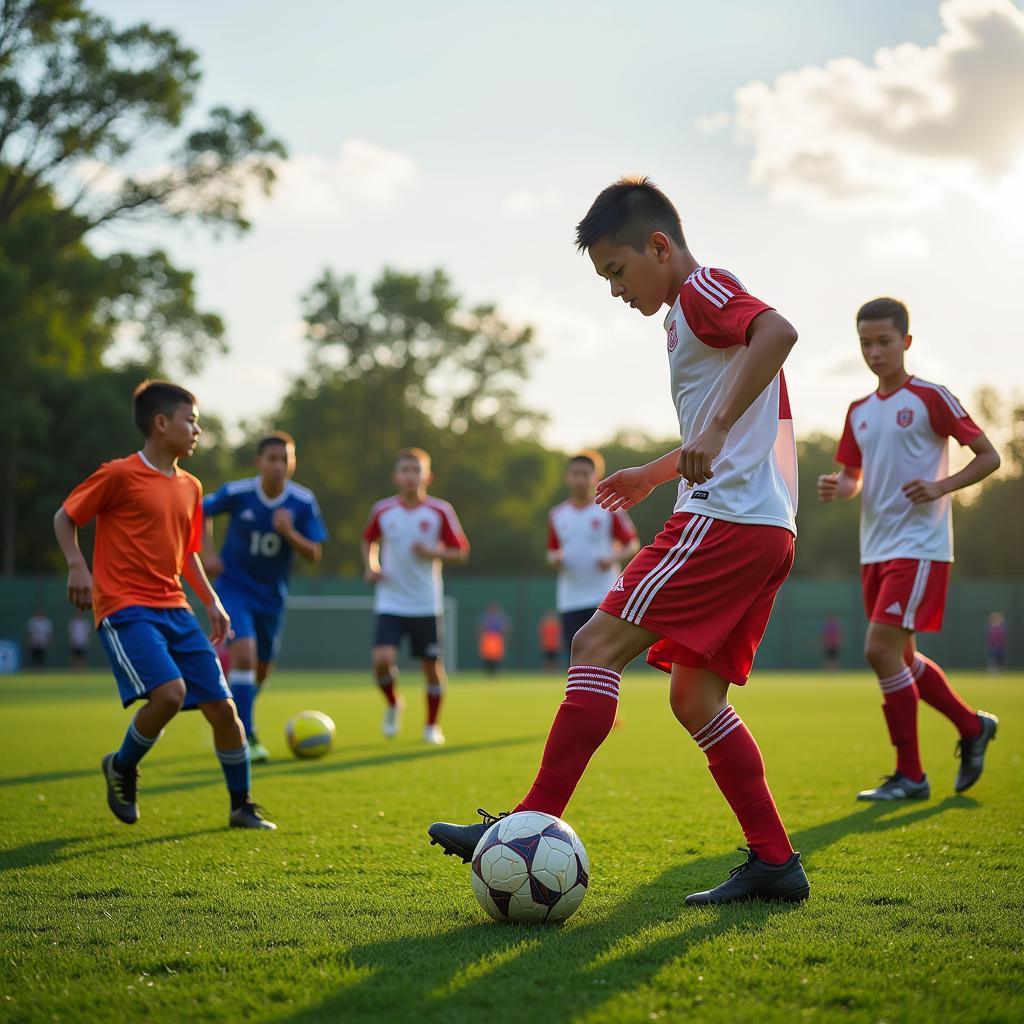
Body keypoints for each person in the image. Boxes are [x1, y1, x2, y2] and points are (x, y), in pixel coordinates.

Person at [430, 176, 807, 905]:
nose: (613, 290)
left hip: (723, 521)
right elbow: (730, 426)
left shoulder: (703, 289)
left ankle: (525, 823)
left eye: (617, 271)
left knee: (593, 647)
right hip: (760, 526)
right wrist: (655, 473)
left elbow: (780, 333)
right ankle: (775, 862)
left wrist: (713, 432)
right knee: (696, 700)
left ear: (659, 246)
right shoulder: (683, 316)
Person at [53, 380, 274, 830]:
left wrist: (211, 601)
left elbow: (187, 552)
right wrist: (77, 565)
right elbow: (66, 516)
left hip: (175, 608)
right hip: (124, 607)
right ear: (160, 423)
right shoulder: (118, 474)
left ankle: (240, 805)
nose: (196, 429)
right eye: (189, 420)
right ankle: (122, 764)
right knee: (170, 695)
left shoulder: (191, 487)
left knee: (223, 710)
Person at [817, 297, 1001, 801]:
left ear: (906, 342)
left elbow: (989, 457)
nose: (874, 352)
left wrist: (941, 488)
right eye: (865, 343)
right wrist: (841, 486)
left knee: (879, 650)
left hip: (919, 546)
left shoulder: (930, 397)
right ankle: (970, 726)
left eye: (884, 341)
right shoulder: (858, 411)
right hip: (873, 550)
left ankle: (911, 775)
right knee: (901, 656)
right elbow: (855, 477)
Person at [201, 432, 328, 762]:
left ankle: (230, 718)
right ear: (259, 462)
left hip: (272, 597)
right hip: (234, 588)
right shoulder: (238, 492)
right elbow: (199, 511)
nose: (278, 466)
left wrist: (289, 533)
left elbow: (314, 553)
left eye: (285, 459)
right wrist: (208, 552)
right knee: (244, 655)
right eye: (272, 459)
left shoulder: (302, 502)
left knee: (260, 671)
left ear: (293, 463)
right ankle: (246, 738)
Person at [363, 448, 469, 744]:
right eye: (405, 470)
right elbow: (368, 539)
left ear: (428, 476)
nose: (411, 476)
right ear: (397, 476)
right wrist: (372, 566)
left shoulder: (439, 511)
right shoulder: (383, 510)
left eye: (416, 470)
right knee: (381, 660)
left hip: (426, 602)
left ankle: (432, 726)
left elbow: (460, 551)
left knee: (431, 668)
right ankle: (394, 702)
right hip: (391, 600)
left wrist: (433, 551)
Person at [547, 450, 640, 651]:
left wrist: (611, 558)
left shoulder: (609, 508)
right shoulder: (557, 515)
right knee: (574, 656)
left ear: (596, 477)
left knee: (602, 654)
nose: (580, 479)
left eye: (585, 474)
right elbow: (552, 550)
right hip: (569, 598)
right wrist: (555, 558)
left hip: (603, 596)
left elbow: (632, 543)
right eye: (575, 474)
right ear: (567, 477)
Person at [477, 603, 511, 676]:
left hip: (497, 638)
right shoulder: (485, 617)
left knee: (496, 656)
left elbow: (505, 628)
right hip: (488, 638)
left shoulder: (500, 618)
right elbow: (481, 628)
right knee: (487, 656)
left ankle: (494, 671)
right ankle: (488, 671)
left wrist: (505, 638)